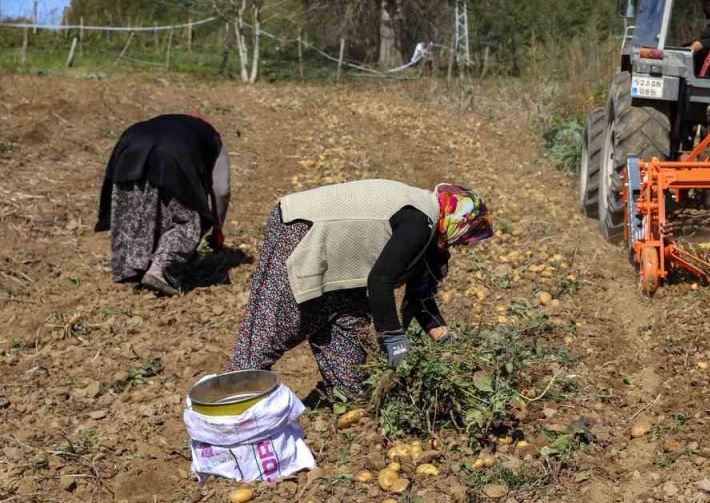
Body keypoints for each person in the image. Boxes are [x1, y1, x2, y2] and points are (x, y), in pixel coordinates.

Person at [228, 179, 492, 399]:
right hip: (301, 228)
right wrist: (394, 339)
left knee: (349, 338)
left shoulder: (432, 236)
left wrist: (448, 343)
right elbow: (380, 279)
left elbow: (420, 298)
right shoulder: (420, 220)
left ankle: (346, 394)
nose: (465, 244)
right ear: (460, 219)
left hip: (344, 262)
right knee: (277, 324)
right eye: (469, 233)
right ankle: (231, 402)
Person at [95, 112, 230, 296]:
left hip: (130, 144)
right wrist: (217, 227)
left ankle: (133, 269)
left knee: (133, 209)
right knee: (187, 220)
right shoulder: (211, 137)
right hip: (172, 155)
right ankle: (158, 271)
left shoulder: (162, 123)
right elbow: (221, 190)